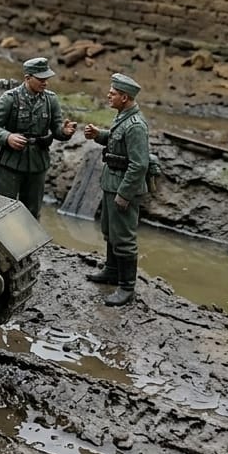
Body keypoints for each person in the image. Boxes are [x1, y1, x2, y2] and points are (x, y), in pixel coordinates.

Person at [83, 73, 150, 307]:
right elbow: (116, 141)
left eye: (113, 93)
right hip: (112, 181)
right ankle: (111, 271)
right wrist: (98, 136)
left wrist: (124, 194)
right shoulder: (123, 116)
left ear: (125, 97)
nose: (108, 96)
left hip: (123, 186)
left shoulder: (136, 126)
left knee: (124, 238)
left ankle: (126, 287)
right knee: (110, 231)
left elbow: (139, 164)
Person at [0, 56, 77, 218]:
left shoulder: (50, 100)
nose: (45, 82)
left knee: (32, 211)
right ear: (27, 78)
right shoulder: (10, 98)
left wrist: (65, 133)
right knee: (2, 209)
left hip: (37, 162)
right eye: (40, 79)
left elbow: (57, 130)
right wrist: (8, 137)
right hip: (11, 162)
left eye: (46, 79)